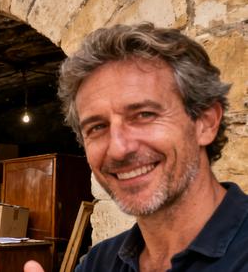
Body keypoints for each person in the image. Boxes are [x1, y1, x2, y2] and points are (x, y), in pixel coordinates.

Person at [25, 23, 242, 271]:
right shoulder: (99, 262)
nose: (118, 148)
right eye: (97, 127)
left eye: (144, 115)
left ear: (205, 122)